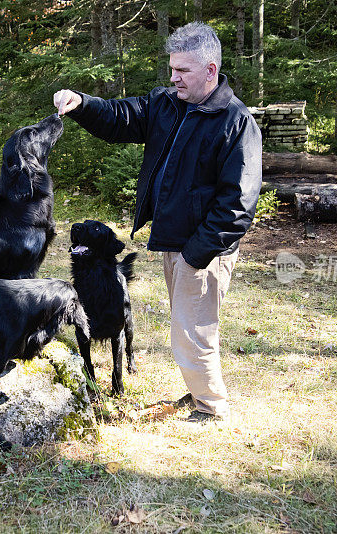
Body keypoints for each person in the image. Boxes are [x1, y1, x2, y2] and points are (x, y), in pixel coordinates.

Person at [54, 22, 262, 421]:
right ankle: (199, 392)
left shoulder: (235, 122)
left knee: (192, 331)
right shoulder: (167, 104)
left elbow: (237, 203)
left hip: (202, 249)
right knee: (192, 325)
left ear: (210, 70)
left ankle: (211, 409)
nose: (173, 77)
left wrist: (196, 254)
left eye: (182, 70)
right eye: (172, 68)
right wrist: (81, 102)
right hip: (176, 241)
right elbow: (119, 116)